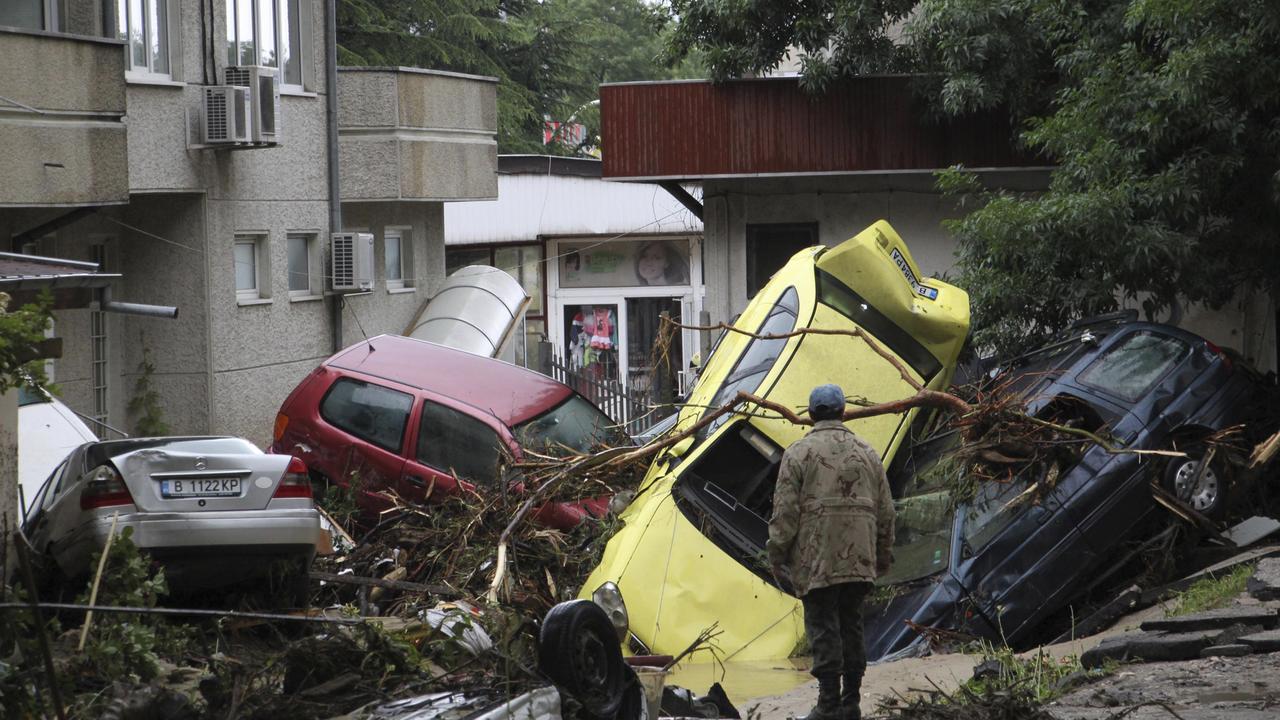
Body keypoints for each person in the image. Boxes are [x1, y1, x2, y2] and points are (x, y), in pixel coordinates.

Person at [767, 384, 895, 720]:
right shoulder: (867, 453)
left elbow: (785, 514)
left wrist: (776, 555)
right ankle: (851, 702)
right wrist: (882, 555)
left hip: (817, 559)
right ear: (843, 413)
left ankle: (827, 704)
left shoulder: (797, 454)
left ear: (811, 416)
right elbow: (886, 512)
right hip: (859, 559)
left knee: (823, 626)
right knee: (851, 624)